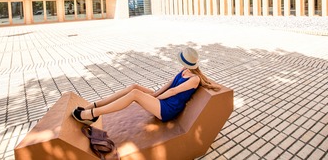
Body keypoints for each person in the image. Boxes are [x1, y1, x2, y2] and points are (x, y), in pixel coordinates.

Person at [72, 47, 220, 124]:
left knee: (135, 95)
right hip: (162, 99)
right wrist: (154, 94)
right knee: (134, 87)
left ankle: (92, 115)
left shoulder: (194, 79)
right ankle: (91, 106)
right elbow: (169, 83)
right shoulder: (185, 69)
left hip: (167, 109)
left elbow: (174, 91)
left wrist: (156, 98)